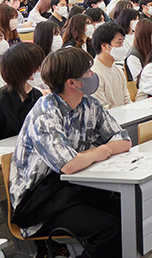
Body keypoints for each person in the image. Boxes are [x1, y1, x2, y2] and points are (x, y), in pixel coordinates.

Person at [8, 47, 131, 255]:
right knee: (110, 229)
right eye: (88, 72)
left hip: (73, 189)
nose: (93, 75)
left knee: (129, 212)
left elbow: (123, 140)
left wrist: (100, 150)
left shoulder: (88, 104)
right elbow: (68, 165)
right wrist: (99, 152)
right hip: (40, 203)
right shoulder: (45, 113)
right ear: (71, 82)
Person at [0, 42, 46, 138]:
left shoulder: (37, 96)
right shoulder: (2, 102)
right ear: (22, 70)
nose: (42, 69)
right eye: (37, 67)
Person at [91, 23, 131, 109]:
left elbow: (126, 101)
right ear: (104, 46)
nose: (122, 47)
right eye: (119, 43)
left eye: (122, 42)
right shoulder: (93, 74)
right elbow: (102, 110)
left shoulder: (118, 70)